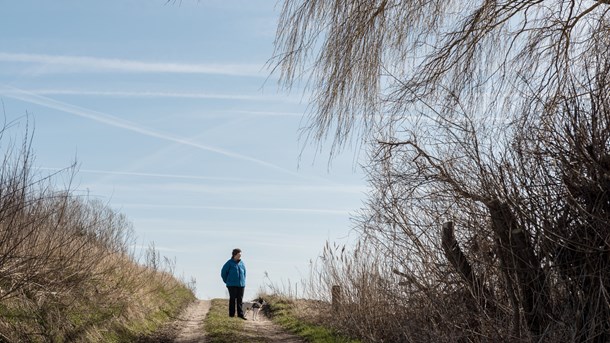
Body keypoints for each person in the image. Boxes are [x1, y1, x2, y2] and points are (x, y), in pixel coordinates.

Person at [220, 248, 247, 319]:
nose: (240, 256)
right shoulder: (229, 263)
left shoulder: (242, 263)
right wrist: (227, 281)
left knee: (240, 300)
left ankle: (240, 315)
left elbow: (244, 273)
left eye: (240, 255)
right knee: (232, 299)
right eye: (239, 254)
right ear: (234, 255)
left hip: (241, 285)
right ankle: (231, 315)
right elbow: (223, 273)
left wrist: (243, 281)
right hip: (231, 285)